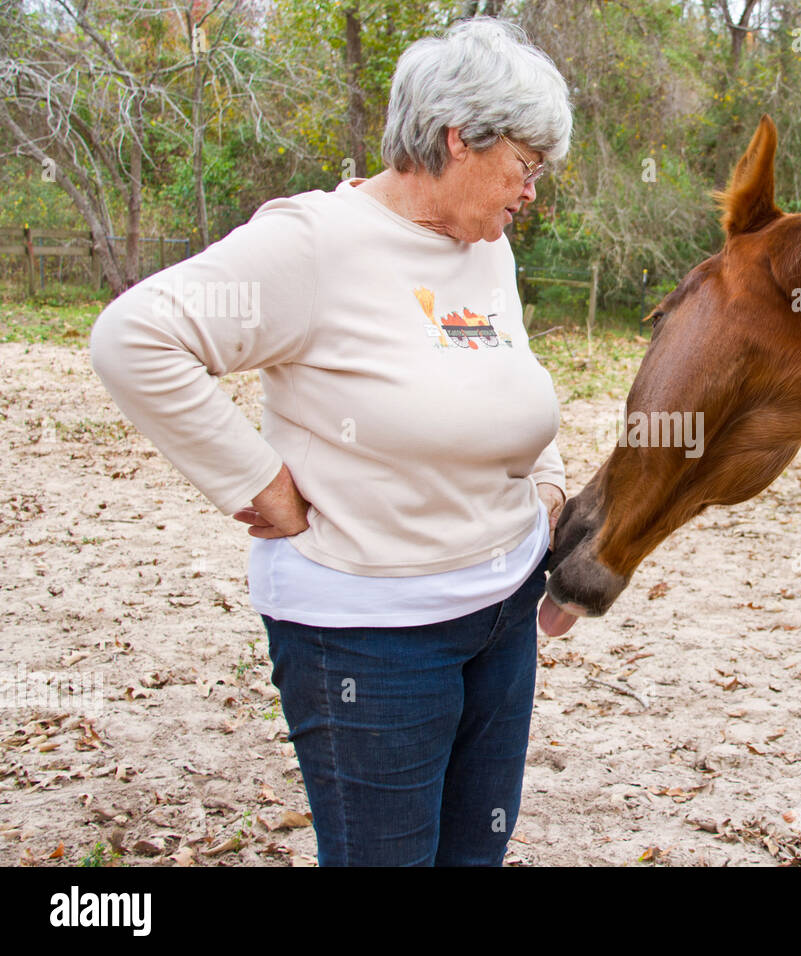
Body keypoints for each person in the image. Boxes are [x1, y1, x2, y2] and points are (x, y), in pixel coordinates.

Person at [89, 16, 573, 866]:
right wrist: (253, 478)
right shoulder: (315, 243)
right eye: (525, 166)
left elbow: (513, 386)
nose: (533, 191)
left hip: (502, 621)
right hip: (372, 636)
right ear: (461, 138)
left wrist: (548, 489)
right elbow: (135, 337)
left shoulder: (481, 248)